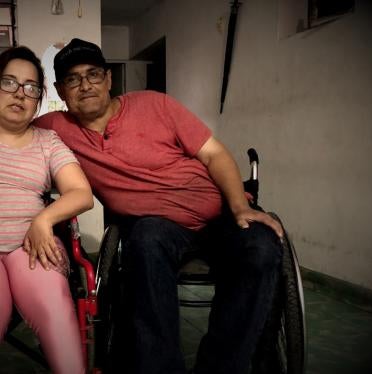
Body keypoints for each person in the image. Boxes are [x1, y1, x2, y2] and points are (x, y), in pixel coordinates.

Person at [34, 38, 284, 374]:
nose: (85, 85)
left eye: (93, 75)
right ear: (60, 90)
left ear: (109, 79)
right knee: (146, 238)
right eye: (73, 79)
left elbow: (214, 154)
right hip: (159, 227)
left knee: (262, 246)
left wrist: (239, 206)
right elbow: (11, 130)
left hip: (221, 213)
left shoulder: (155, 105)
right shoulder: (54, 130)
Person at [0, 46, 94, 374]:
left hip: (31, 244)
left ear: (39, 97)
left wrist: (45, 218)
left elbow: (81, 193)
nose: (20, 93)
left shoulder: (48, 141)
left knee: (56, 309)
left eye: (31, 87)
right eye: (9, 82)